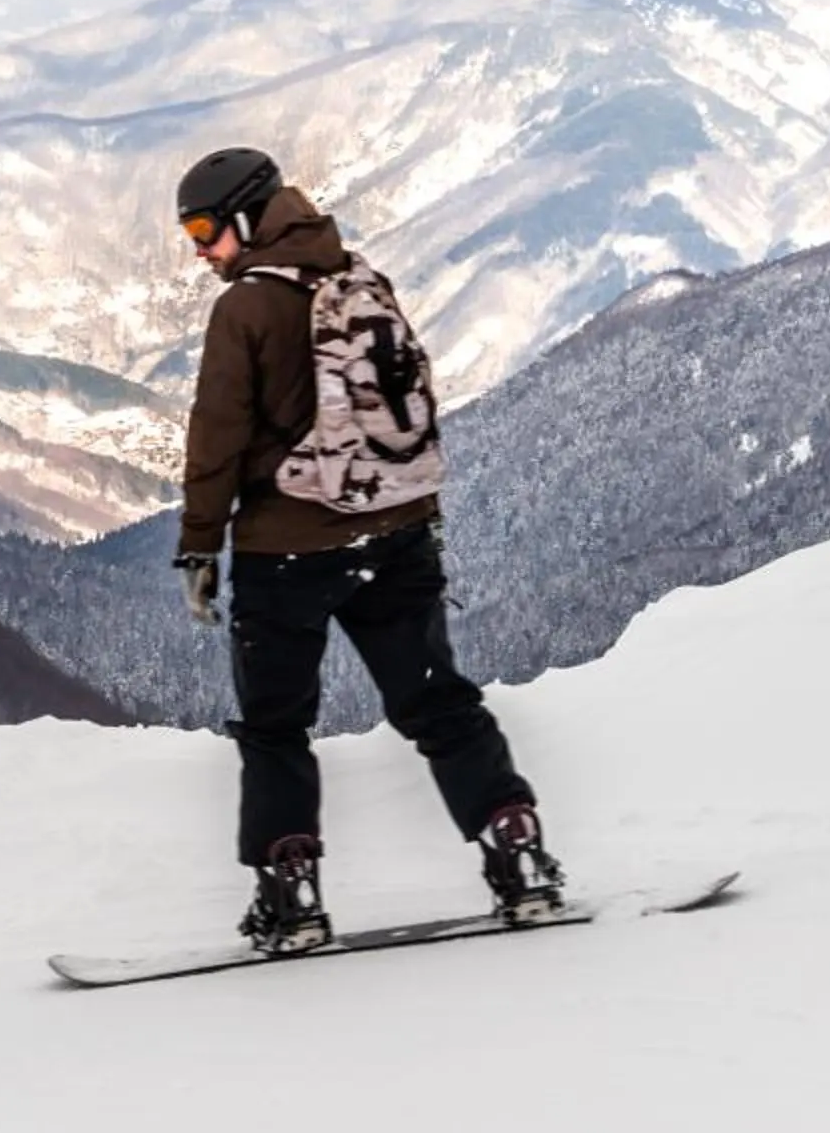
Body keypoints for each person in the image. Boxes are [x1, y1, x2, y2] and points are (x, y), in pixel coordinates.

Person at [169, 146, 561, 954]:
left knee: (276, 727)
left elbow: (216, 439)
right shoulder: (355, 277)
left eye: (205, 230)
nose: (200, 251)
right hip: (396, 537)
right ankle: (517, 850)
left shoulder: (246, 309)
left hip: (289, 554)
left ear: (246, 217)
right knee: (440, 703)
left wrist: (200, 547)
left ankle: (291, 899)